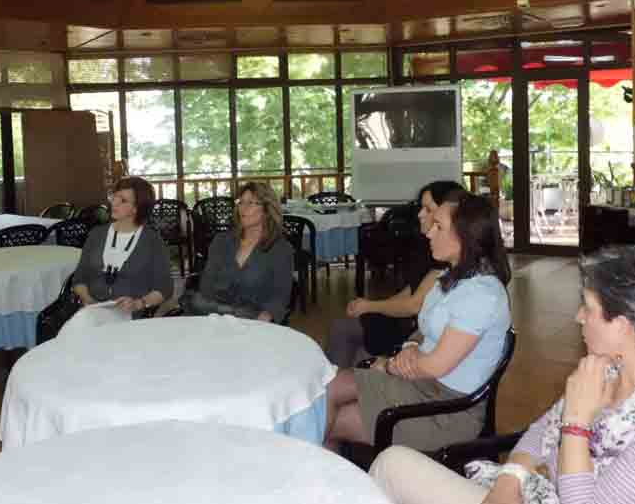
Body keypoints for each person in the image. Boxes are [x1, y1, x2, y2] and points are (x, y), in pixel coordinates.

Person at [370, 246, 635, 504]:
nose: (578, 316)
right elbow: (541, 430)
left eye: (588, 308)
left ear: (622, 326)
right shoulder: (611, 370)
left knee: (393, 463)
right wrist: (508, 483)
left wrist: (576, 424)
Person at [324, 191, 511, 452]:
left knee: (327, 419)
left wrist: (388, 366)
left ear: (465, 236)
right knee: (327, 388)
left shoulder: (482, 294)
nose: (428, 232)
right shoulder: (452, 277)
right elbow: (425, 329)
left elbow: (435, 366)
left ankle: (322, 483)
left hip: (445, 411)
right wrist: (410, 347)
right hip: (422, 387)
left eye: (438, 226)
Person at [327, 180, 463, 366]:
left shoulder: (447, 258)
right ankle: (340, 384)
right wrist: (371, 305)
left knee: (344, 330)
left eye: (428, 209)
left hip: (419, 331)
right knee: (352, 337)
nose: (420, 214)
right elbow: (411, 290)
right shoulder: (426, 247)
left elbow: (414, 305)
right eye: (420, 207)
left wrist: (370, 307)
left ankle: (334, 385)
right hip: (412, 324)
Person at [183, 182, 294, 322]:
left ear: (266, 210)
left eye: (251, 203)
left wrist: (267, 315)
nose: (243, 208)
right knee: (197, 301)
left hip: (255, 320)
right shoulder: (221, 241)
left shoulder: (280, 249)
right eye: (241, 202)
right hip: (216, 316)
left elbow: (280, 297)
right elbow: (206, 286)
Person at [73, 176, 174, 316]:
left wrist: (139, 303)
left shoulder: (152, 241)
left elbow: (165, 288)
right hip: (93, 311)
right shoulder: (96, 234)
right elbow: (79, 279)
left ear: (136, 208)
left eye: (123, 200)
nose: (114, 203)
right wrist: (88, 301)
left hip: (131, 314)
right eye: (114, 197)